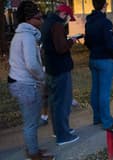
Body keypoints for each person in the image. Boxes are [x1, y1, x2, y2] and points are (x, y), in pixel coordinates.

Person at [7, 1, 54, 159]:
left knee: (31, 120)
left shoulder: (22, 34)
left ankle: (32, 149)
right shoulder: (26, 36)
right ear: (28, 19)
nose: (41, 21)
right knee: (31, 122)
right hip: (24, 85)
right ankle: (33, 154)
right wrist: (42, 77)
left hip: (20, 82)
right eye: (38, 17)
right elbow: (31, 64)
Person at [41, 4, 79, 145]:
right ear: (64, 14)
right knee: (62, 103)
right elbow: (61, 48)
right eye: (68, 17)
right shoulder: (57, 25)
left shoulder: (47, 23)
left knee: (55, 102)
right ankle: (63, 136)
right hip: (60, 69)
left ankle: (59, 130)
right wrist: (71, 41)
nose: (68, 20)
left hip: (51, 68)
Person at [84, 0, 113, 129]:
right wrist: (112, 56)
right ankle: (107, 121)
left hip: (94, 58)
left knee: (95, 90)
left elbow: (87, 42)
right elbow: (109, 43)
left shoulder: (89, 22)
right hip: (104, 60)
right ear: (104, 6)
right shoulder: (105, 22)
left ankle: (97, 118)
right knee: (104, 92)